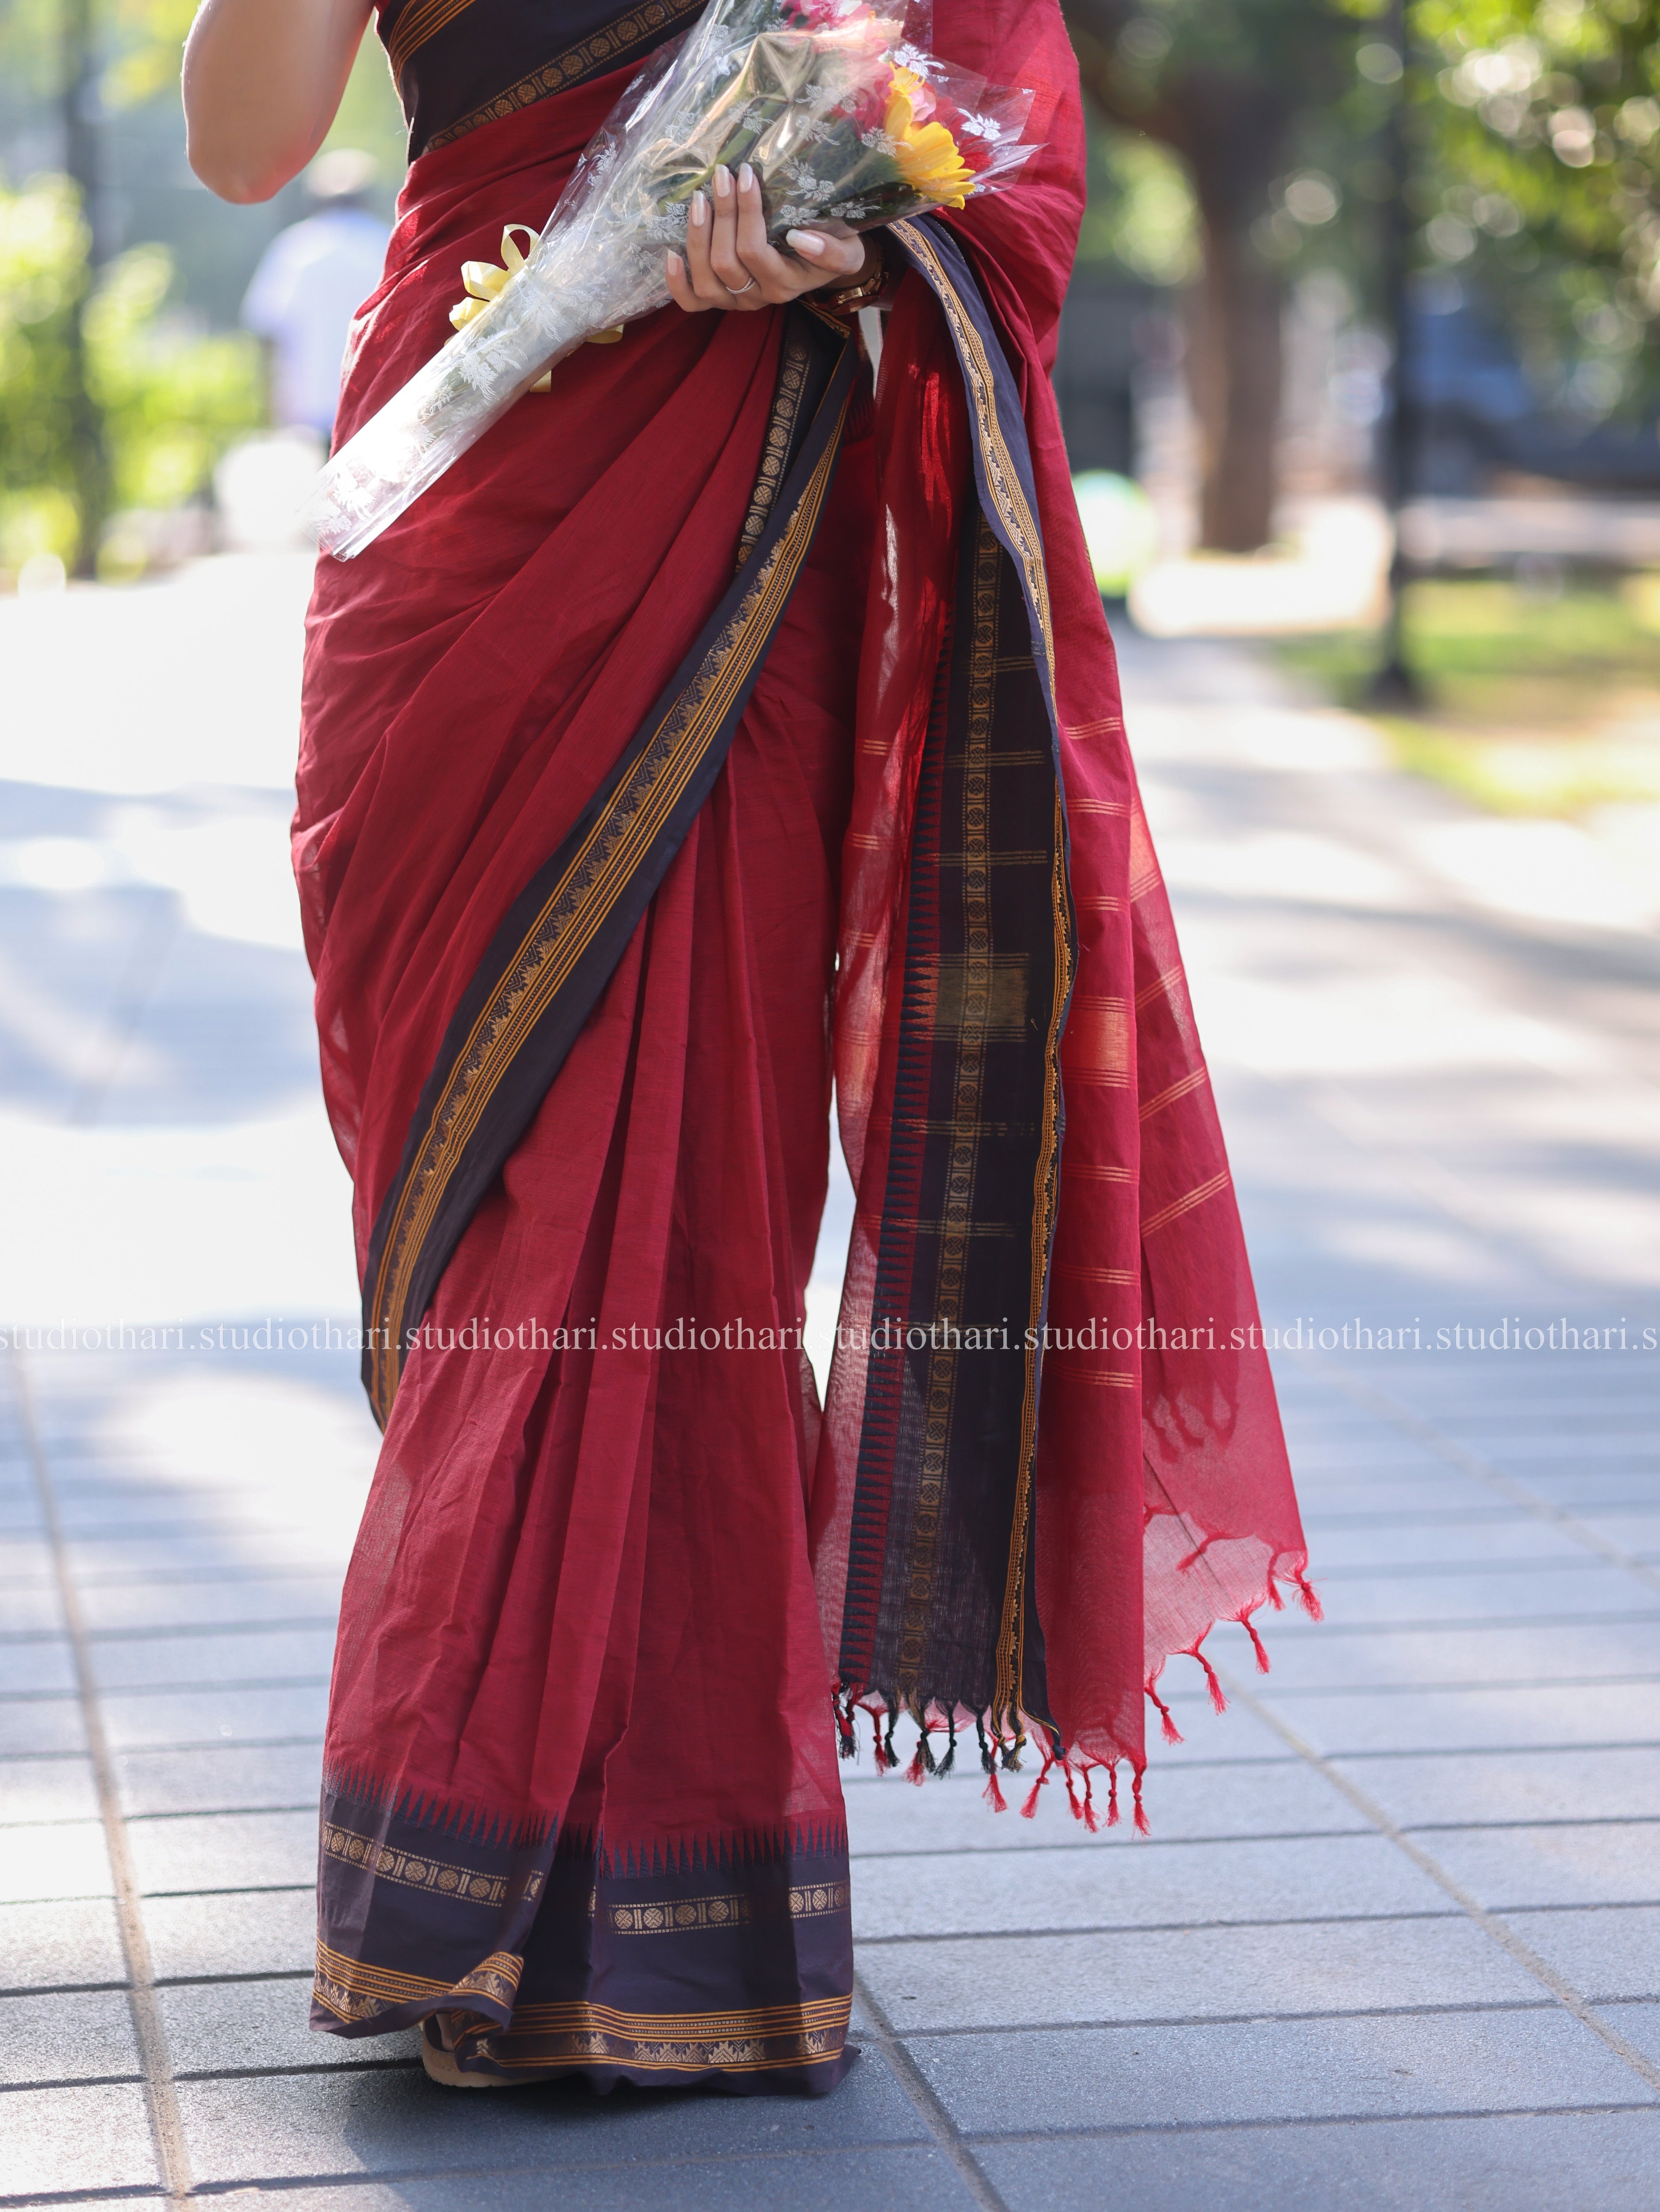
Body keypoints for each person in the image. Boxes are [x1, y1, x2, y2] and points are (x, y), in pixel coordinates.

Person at [183, 0, 1315, 2097]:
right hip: (468, 483)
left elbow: (1010, 135)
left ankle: (594, 1886)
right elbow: (248, 144)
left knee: (675, 1193)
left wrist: (860, 222)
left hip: (734, 515)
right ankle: (514, 1843)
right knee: (491, 1183)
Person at [240, 148, 391, 442]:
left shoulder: (296, 249)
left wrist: (272, 408)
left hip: (313, 405)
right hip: (380, 400)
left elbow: (267, 327)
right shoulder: (386, 243)